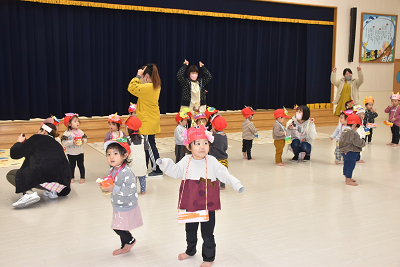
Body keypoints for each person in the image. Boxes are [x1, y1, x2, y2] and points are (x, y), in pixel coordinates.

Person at [156, 125, 245, 267]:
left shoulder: (212, 161)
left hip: (208, 205)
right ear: (189, 147)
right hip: (191, 204)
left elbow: (224, 174)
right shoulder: (186, 160)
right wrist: (165, 163)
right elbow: (176, 172)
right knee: (190, 230)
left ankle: (209, 258)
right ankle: (190, 251)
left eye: (205, 143)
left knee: (207, 233)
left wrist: (237, 184)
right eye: (197, 143)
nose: (202, 147)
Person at [6, 122, 71, 208]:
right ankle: (52, 191)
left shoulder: (35, 138)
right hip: (63, 183)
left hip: (42, 176)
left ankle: (28, 193)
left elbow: (14, 154)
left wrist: (19, 142)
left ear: (44, 131)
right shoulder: (57, 144)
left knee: (11, 174)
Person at [103, 138, 143, 256]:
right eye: (109, 154)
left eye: (115, 154)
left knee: (117, 227)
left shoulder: (127, 172)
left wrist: (114, 188)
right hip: (117, 202)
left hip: (126, 204)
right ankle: (124, 246)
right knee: (121, 226)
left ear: (125, 155)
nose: (111, 157)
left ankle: (130, 240)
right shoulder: (112, 169)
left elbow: (130, 189)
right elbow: (113, 183)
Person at [127, 63, 163, 177]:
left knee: (150, 146)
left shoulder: (148, 87)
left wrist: (137, 75)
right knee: (148, 146)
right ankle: (147, 166)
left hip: (148, 120)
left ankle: (157, 169)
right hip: (150, 118)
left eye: (143, 76)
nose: (141, 79)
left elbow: (131, 87)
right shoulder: (155, 86)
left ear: (146, 76)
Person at [339, 114, 366, 186]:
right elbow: (358, 142)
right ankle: (348, 179)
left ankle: (346, 177)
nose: (357, 129)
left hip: (345, 152)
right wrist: (363, 141)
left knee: (346, 164)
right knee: (351, 165)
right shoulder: (353, 133)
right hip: (351, 152)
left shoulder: (344, 131)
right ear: (354, 125)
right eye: (357, 127)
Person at [61, 113, 87, 184]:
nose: (77, 123)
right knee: (71, 166)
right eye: (75, 121)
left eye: (78, 121)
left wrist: (83, 141)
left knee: (81, 165)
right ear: (69, 124)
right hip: (71, 153)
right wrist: (72, 142)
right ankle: (71, 177)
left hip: (80, 152)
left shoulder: (80, 132)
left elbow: (85, 138)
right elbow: (63, 142)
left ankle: (82, 177)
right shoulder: (66, 133)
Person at [125, 116, 148, 195]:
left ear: (129, 128)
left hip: (132, 163)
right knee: (142, 177)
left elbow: (125, 150)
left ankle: (133, 191)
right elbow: (147, 147)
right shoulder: (143, 138)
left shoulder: (128, 139)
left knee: (132, 178)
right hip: (141, 162)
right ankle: (143, 191)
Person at [209, 115, 228, 189]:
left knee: (214, 173)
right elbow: (225, 147)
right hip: (224, 159)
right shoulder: (224, 136)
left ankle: (215, 186)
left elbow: (209, 144)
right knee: (222, 173)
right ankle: (222, 186)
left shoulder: (213, 137)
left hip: (215, 159)